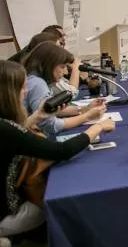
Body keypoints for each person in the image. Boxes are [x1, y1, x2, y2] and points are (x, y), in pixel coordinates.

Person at [0, 60, 115, 238]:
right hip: (6, 216)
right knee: (65, 209)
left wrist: (37, 115)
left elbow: (17, 134)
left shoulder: (5, 127)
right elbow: (62, 151)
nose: (26, 92)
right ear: (9, 93)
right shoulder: (5, 129)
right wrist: (98, 127)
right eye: (23, 88)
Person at [23, 42, 106, 137]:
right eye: (62, 66)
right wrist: (87, 117)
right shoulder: (38, 84)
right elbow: (51, 125)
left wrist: (85, 109)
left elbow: (49, 111)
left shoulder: (36, 79)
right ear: (49, 65)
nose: (66, 71)